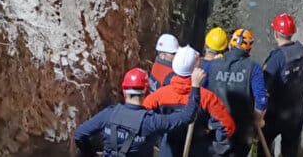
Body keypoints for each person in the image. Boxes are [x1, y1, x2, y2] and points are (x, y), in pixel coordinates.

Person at [75, 67, 206, 157]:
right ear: (147, 92)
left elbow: (79, 135)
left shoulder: (108, 114)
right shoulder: (151, 121)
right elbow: (188, 115)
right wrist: (195, 86)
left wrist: (91, 154)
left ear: (124, 91)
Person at [143, 46, 237, 157]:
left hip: (168, 148)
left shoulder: (158, 96)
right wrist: (213, 147)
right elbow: (227, 127)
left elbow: (142, 120)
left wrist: (157, 138)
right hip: (198, 148)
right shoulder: (207, 98)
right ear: (197, 68)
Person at [207, 29, 268, 157]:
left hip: (215, 126)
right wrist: (258, 120)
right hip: (242, 129)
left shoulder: (213, 65)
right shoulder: (254, 68)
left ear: (230, 45)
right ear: (250, 49)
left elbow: (200, 89)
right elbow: (261, 99)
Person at [262, 14, 303, 157]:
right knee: (290, 148)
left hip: (277, 110)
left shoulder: (277, 58)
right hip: (298, 107)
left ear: (276, 34)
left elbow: (265, 85)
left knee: (264, 142)